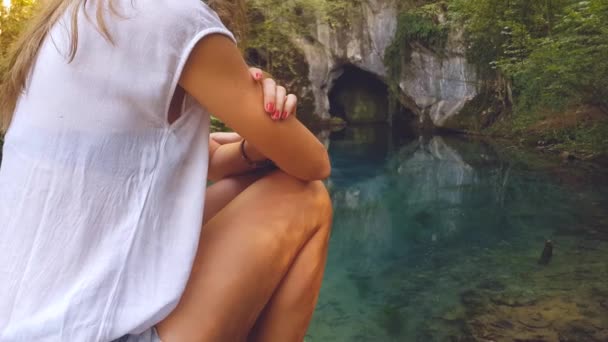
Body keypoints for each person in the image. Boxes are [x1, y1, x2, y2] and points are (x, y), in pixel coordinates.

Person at [0, 0, 333, 341]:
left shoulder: (81, 20)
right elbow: (314, 163)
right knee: (304, 198)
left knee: (247, 186)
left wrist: (251, 148)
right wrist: (267, 117)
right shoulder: (175, 18)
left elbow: (193, 157)